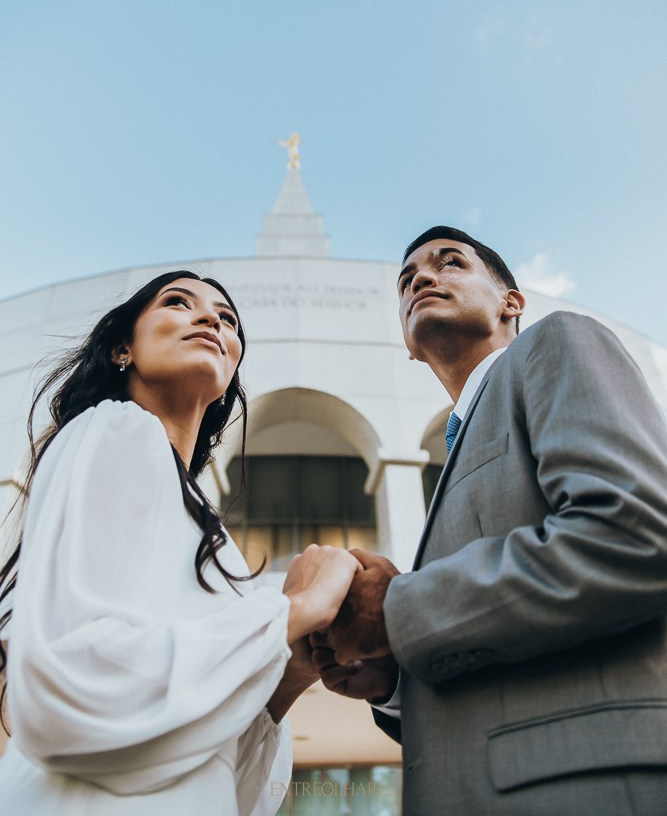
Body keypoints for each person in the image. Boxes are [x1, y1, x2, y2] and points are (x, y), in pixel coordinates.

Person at [312, 227, 667, 816]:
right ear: (406, 342)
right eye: (406, 281)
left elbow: (636, 530)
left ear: (512, 302)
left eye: (450, 263)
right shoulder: (457, 450)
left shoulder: (558, 343)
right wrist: (393, 679)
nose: (422, 278)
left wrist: (396, 611)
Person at [0, 270, 360, 815]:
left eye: (228, 318)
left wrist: (289, 673)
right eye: (178, 302)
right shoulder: (115, 429)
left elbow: (236, 791)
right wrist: (293, 609)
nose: (213, 318)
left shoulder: (215, 540)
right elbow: (69, 686)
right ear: (124, 347)